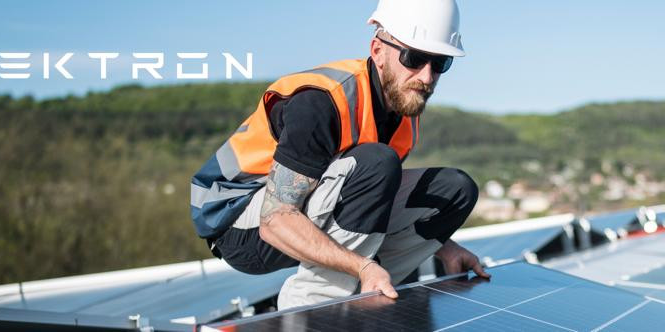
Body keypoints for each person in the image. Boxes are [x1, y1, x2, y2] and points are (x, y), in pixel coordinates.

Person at [188, 0, 489, 310]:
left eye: (440, 63)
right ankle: (312, 315)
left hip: (302, 212)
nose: (426, 77)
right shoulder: (321, 102)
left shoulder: (404, 109)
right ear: (377, 50)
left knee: (455, 189)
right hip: (239, 224)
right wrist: (360, 265)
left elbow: (372, 201)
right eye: (414, 58)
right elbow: (275, 220)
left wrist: (444, 247)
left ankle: (367, 298)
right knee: (377, 164)